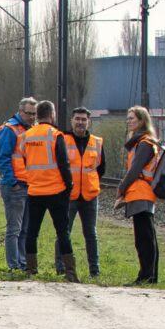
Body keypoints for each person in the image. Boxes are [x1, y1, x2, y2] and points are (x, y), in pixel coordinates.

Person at [15, 100, 76, 278]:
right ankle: (70, 272)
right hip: (56, 191)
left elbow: (26, 160)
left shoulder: (26, 136)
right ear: (52, 114)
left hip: (34, 192)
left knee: (32, 232)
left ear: (38, 115)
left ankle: (31, 270)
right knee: (63, 232)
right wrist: (69, 185)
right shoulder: (55, 135)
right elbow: (64, 163)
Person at [118, 104, 163, 284]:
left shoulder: (144, 144)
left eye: (132, 118)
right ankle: (150, 275)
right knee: (147, 235)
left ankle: (146, 276)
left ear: (142, 121)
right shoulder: (145, 142)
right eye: (128, 118)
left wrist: (121, 188)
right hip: (143, 192)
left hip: (141, 192)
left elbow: (135, 170)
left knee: (143, 238)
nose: (128, 121)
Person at [0, 97, 38, 273]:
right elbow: (3, 158)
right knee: (15, 228)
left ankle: (21, 263)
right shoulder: (10, 129)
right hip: (16, 186)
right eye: (28, 113)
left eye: (34, 114)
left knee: (25, 229)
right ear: (20, 111)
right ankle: (14, 265)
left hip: (28, 185)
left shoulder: (32, 130)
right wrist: (13, 182)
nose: (31, 117)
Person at [64, 106, 105, 279]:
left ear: (89, 122)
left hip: (89, 195)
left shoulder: (97, 142)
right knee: (64, 232)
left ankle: (94, 271)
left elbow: (101, 168)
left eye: (83, 119)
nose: (80, 122)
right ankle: (62, 268)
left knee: (91, 234)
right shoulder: (63, 140)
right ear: (72, 121)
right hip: (70, 195)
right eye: (77, 119)